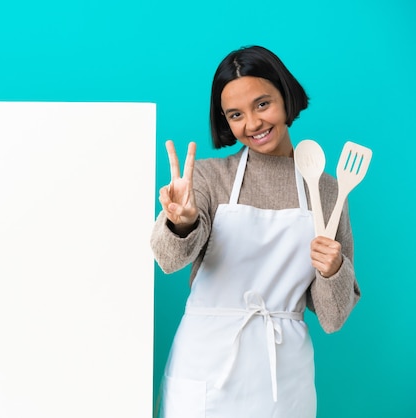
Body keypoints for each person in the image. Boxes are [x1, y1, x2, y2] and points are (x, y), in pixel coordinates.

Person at [151, 45, 361, 417]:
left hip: (282, 373)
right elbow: (168, 261)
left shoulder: (328, 190)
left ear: (285, 95)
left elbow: (332, 318)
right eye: (235, 114)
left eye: (262, 104)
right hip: (206, 363)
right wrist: (181, 222)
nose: (252, 124)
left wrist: (332, 270)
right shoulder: (208, 177)